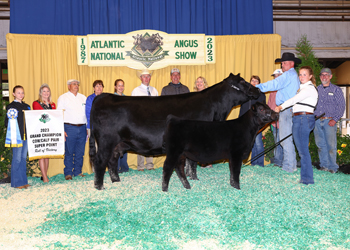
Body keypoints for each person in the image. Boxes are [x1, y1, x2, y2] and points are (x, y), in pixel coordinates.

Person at [256, 52, 301, 173]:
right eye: (282, 63)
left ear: (291, 64)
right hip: (288, 109)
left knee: (285, 139)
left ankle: (289, 166)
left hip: (286, 110)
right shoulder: (293, 75)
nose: (282, 65)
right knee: (286, 138)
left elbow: (274, 83)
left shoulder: (288, 75)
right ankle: (289, 165)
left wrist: (257, 87)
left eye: (284, 63)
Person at [275, 66, 318, 185]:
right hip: (301, 118)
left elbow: (294, 99)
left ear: (310, 76)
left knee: (303, 151)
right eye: (300, 74)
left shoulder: (308, 89)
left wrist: (280, 106)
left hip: (303, 118)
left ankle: (307, 179)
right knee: (302, 150)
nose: (301, 77)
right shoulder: (303, 88)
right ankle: (306, 178)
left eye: (304, 74)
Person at [314, 68, 345, 174]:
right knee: (320, 145)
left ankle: (333, 167)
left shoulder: (336, 90)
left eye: (326, 75)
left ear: (330, 76)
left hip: (330, 121)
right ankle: (324, 166)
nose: (324, 77)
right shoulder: (316, 89)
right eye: (322, 75)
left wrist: (335, 119)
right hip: (317, 121)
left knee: (331, 146)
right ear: (319, 77)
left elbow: (341, 106)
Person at [57, 79, 87, 180]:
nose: (76, 86)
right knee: (69, 151)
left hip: (82, 127)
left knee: (80, 152)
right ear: (69, 86)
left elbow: (86, 114)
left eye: (77, 84)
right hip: (69, 127)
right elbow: (59, 114)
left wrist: (87, 127)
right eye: (74, 84)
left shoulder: (83, 97)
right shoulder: (63, 97)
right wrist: (62, 128)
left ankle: (78, 171)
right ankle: (68, 173)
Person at [131, 70, 158, 171]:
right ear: (141, 78)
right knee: (140, 141)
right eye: (144, 77)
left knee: (150, 141)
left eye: (148, 76)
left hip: (151, 121)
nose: (146, 78)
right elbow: (133, 108)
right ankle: (140, 165)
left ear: (150, 78)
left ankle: (150, 164)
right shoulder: (136, 91)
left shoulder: (154, 90)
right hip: (140, 121)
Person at [5, 85, 31, 189]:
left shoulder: (27, 106)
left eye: (22, 92)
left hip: (26, 135)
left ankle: (23, 181)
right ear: (13, 94)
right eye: (19, 92)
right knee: (17, 159)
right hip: (17, 136)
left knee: (23, 158)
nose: (21, 94)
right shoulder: (11, 106)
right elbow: (7, 123)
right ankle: (16, 183)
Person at [239, 75, 266, 167]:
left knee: (258, 143)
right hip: (246, 122)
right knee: (251, 143)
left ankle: (260, 164)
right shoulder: (245, 95)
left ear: (259, 83)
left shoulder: (261, 95)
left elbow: (262, 110)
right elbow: (242, 109)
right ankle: (254, 163)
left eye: (256, 81)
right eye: (252, 81)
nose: (254, 83)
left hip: (256, 122)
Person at [32, 84, 56, 183]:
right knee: (41, 154)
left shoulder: (53, 104)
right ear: (41, 93)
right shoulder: (36, 103)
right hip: (40, 130)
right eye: (44, 91)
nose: (46, 93)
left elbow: (55, 117)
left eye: (48, 91)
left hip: (50, 131)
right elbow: (40, 115)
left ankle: (44, 174)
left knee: (47, 153)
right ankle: (45, 176)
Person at [267, 69, 283, 167]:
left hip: (282, 120)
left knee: (282, 141)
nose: (276, 77)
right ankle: (278, 161)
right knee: (277, 141)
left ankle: (281, 161)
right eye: (275, 76)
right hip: (274, 121)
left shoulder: (285, 89)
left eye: (278, 75)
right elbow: (269, 105)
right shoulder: (272, 91)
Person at [114, 79, 129, 173]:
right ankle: (116, 167)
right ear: (115, 87)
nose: (121, 87)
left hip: (125, 125)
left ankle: (124, 167)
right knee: (116, 147)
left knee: (125, 145)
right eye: (119, 85)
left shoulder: (126, 98)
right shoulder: (112, 98)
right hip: (116, 125)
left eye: (122, 85)